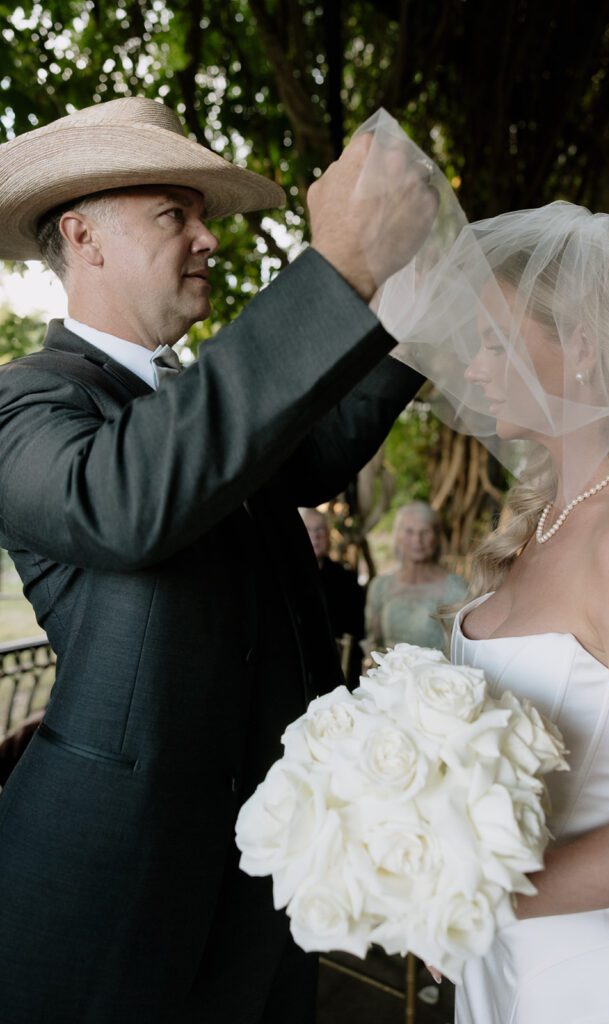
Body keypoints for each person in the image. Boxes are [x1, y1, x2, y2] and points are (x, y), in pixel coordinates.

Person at [0, 97, 436, 1024]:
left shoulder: (207, 405)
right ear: (83, 236)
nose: (208, 239)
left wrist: (414, 296)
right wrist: (334, 269)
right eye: (175, 214)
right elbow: (122, 502)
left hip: (264, 885)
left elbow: (312, 456)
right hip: (114, 897)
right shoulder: (27, 405)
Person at [387, 201, 609, 1021]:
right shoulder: (536, 523)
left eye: (495, 342)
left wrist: (477, 898)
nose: (473, 368)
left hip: (591, 975)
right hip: (499, 965)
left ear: (582, 347)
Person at [364, 501, 467, 655]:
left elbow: (462, 647)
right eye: (409, 531)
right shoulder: (380, 586)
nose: (417, 540)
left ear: (437, 537)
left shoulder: (457, 588)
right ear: (398, 536)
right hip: (387, 669)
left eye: (425, 532)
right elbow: (372, 642)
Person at [300, 508, 365, 684]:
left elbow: (358, 629)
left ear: (328, 536)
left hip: (340, 669)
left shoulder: (346, 578)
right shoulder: (288, 579)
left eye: (320, 530)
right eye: (308, 530)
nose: (315, 536)